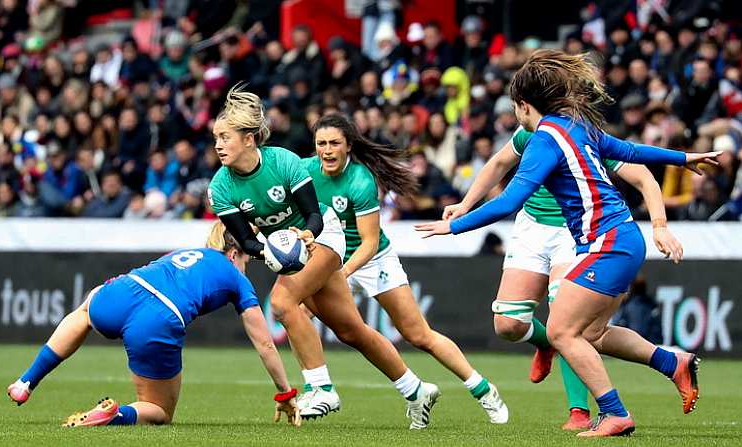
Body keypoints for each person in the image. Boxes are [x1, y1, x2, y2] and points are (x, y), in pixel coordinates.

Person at [415, 49, 720, 437]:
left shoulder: (543, 141)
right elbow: (630, 151)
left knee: (561, 332)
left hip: (606, 243)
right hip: (622, 238)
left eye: (515, 109)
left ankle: (614, 413)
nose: (515, 116)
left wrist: (454, 228)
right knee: (590, 334)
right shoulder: (576, 127)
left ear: (525, 106)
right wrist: (684, 157)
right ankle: (670, 363)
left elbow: (510, 201)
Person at [208, 87, 440, 429]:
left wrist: (307, 235)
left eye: (225, 137)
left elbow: (314, 215)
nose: (218, 145)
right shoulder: (221, 187)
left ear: (249, 139)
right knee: (351, 331)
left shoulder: (283, 162)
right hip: (290, 253)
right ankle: (416, 388)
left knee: (284, 302)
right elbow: (245, 240)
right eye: (216, 137)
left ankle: (322, 387)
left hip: (324, 236)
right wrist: (268, 251)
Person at [441, 123, 685, 430]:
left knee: (567, 321)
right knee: (509, 324)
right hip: (531, 228)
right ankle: (547, 344)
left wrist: (660, 225)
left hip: (576, 231)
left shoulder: (583, 133)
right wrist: (465, 204)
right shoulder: (529, 130)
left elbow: (642, 175)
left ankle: (579, 411)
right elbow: (500, 162)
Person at [304, 114, 508, 423]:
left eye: (335, 143)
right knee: (298, 312)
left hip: (370, 260)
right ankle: (323, 388)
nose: (328, 150)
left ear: (348, 146)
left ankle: (483, 390)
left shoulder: (360, 181)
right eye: (322, 144)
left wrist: (341, 275)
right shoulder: (305, 173)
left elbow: (369, 243)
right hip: (329, 257)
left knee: (418, 334)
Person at [7, 223, 301, 427]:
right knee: (159, 411)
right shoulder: (239, 280)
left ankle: (26, 382)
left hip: (126, 288)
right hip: (159, 318)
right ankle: (115, 415)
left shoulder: (183, 253)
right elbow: (264, 344)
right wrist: (285, 393)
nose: (245, 265)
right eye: (247, 259)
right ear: (235, 252)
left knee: (83, 312)